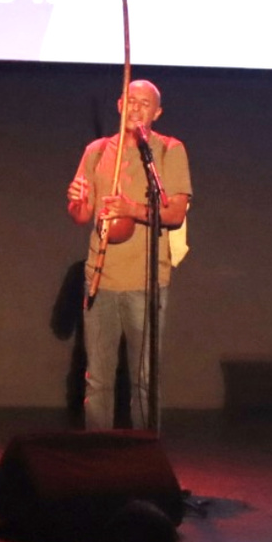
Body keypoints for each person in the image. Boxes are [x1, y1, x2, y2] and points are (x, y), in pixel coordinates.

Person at [66, 79, 192, 430]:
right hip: (100, 278)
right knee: (98, 380)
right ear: (120, 105)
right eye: (130, 101)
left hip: (145, 282)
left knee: (144, 381)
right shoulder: (96, 150)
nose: (136, 108)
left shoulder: (168, 150)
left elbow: (176, 213)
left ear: (157, 112)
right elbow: (81, 215)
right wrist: (76, 201)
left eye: (145, 103)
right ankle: (98, 458)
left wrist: (131, 208)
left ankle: (143, 458)